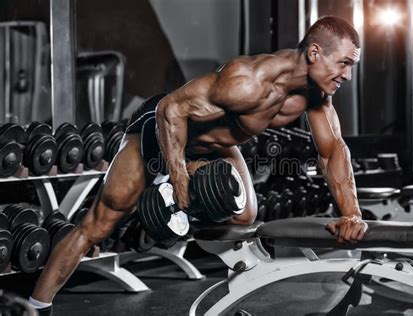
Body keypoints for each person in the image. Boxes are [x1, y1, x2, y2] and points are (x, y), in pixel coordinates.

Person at [29, 15, 367, 314]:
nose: (347, 75)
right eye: (344, 63)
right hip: (160, 130)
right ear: (314, 53)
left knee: (246, 215)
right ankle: (36, 307)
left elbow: (333, 152)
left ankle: (180, 205)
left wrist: (351, 213)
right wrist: (178, 178)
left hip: (216, 148)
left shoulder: (317, 98)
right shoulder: (247, 80)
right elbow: (170, 111)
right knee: (98, 226)